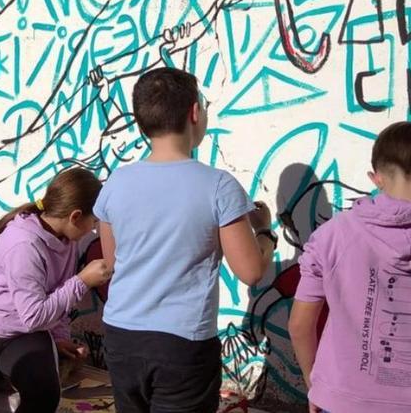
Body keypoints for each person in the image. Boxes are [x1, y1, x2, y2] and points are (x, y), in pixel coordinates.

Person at [94, 67, 275, 412]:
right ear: (195, 112)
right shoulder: (218, 186)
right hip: (182, 344)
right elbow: (251, 271)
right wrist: (264, 233)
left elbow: (113, 262)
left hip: (121, 336)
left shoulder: (116, 183)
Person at [0, 168, 113, 413]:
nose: (93, 229)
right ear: (75, 216)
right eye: (93, 221)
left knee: (44, 393)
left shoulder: (66, 242)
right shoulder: (24, 244)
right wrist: (82, 281)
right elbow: (34, 315)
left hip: (21, 335)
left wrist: (59, 337)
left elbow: (56, 293)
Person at [289, 121, 411, 413]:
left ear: (376, 177)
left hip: (342, 398)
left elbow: (299, 325)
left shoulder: (333, 235)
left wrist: (315, 383)